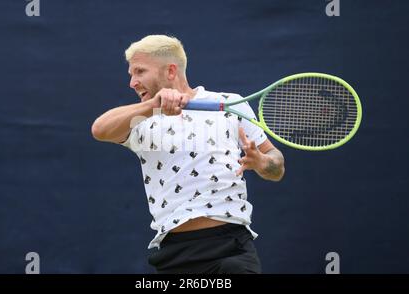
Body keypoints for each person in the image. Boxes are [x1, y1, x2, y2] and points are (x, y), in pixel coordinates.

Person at [91, 35, 285, 274]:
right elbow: (100, 130)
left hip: (231, 250)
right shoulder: (141, 119)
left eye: (140, 71)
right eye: (131, 74)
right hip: (174, 255)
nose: (132, 82)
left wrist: (262, 161)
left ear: (171, 71)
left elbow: (277, 168)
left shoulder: (230, 104)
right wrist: (153, 106)